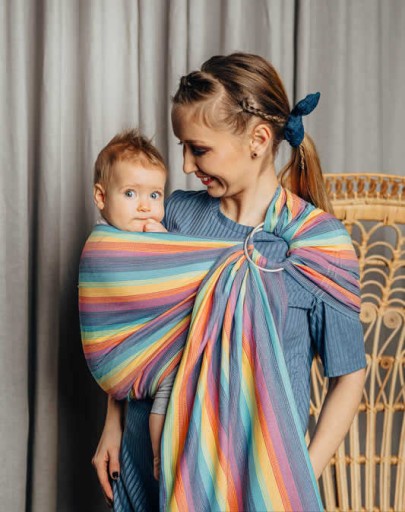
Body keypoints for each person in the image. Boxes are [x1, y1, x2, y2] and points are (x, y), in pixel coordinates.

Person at [90, 53, 366, 511]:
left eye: (199, 149)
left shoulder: (317, 245)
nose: (185, 164)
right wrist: (112, 424)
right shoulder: (173, 214)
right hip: (147, 463)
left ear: (258, 140)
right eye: (182, 147)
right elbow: (134, 328)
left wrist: (297, 477)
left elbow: (350, 376)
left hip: (249, 482)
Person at [91, 128, 177, 484]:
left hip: (166, 351)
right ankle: (157, 459)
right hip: (131, 352)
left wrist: (166, 244)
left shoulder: (159, 232)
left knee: (166, 403)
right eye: (130, 193)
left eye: (154, 195)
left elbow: (183, 273)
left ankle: (159, 459)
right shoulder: (104, 244)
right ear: (101, 197)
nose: (145, 206)